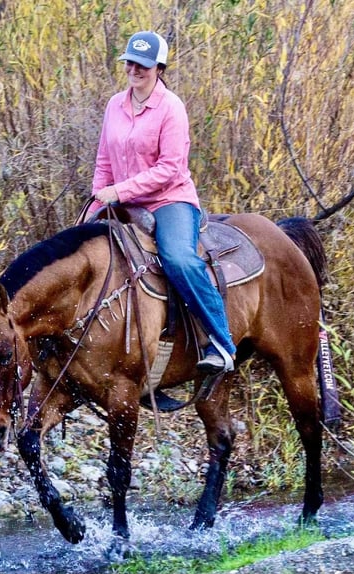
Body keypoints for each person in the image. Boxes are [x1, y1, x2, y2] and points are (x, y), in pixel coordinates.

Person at [87, 30, 236, 374]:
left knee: (179, 259)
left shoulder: (171, 108)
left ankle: (221, 342)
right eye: (130, 63)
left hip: (168, 200)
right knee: (81, 250)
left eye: (143, 65)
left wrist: (119, 192)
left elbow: (170, 169)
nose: (134, 70)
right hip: (120, 200)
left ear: (159, 68)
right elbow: (104, 160)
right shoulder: (114, 105)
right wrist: (99, 196)